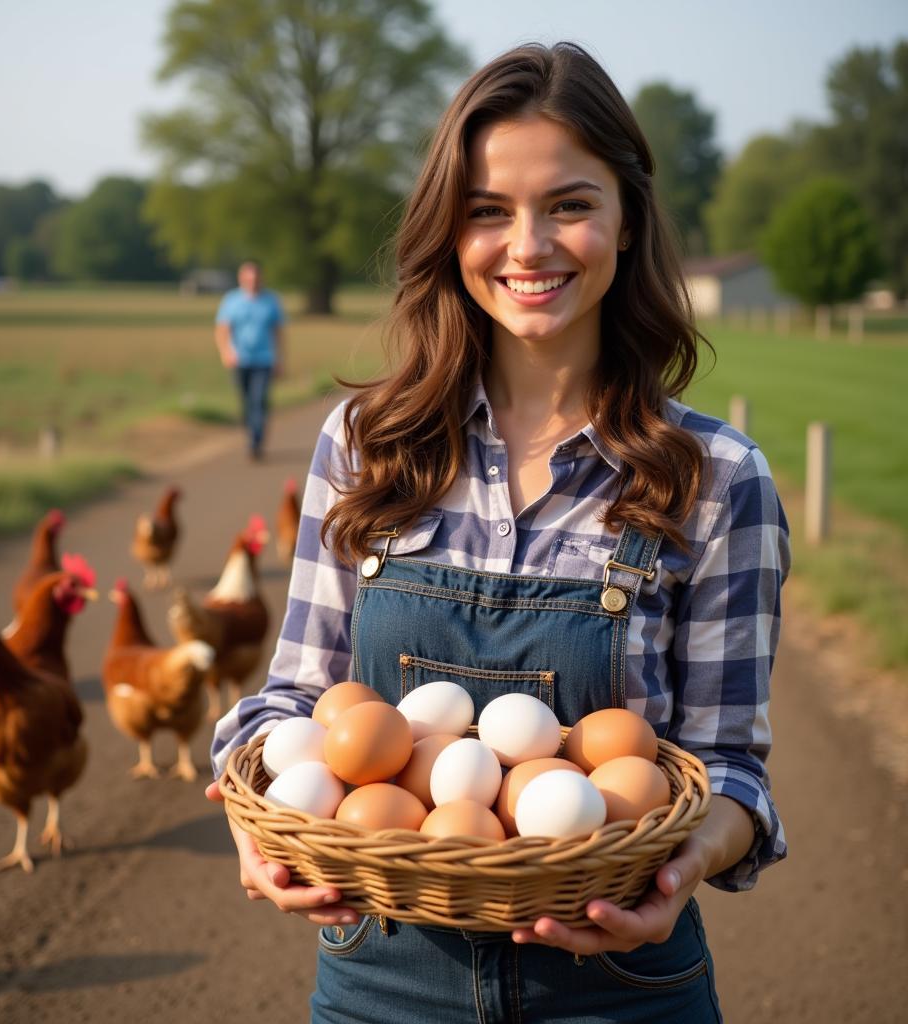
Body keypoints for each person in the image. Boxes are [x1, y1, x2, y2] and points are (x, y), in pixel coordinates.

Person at [207, 41, 790, 1022]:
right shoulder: (367, 445)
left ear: (627, 219)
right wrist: (263, 819)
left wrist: (686, 855)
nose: (528, 246)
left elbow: (726, 763)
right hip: (381, 975)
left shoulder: (716, 479)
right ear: (449, 229)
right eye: (487, 210)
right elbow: (300, 699)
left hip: (617, 984)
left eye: (568, 203)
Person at [214, 259, 285, 460]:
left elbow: (278, 332)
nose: (252, 282)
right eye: (248, 278)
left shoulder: (271, 301)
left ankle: (256, 440)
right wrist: (226, 351)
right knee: (246, 403)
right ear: (242, 279)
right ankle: (251, 432)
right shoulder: (231, 301)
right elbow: (222, 330)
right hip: (240, 360)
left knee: (259, 399)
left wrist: (279, 359)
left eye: (256, 278)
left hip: (264, 359)